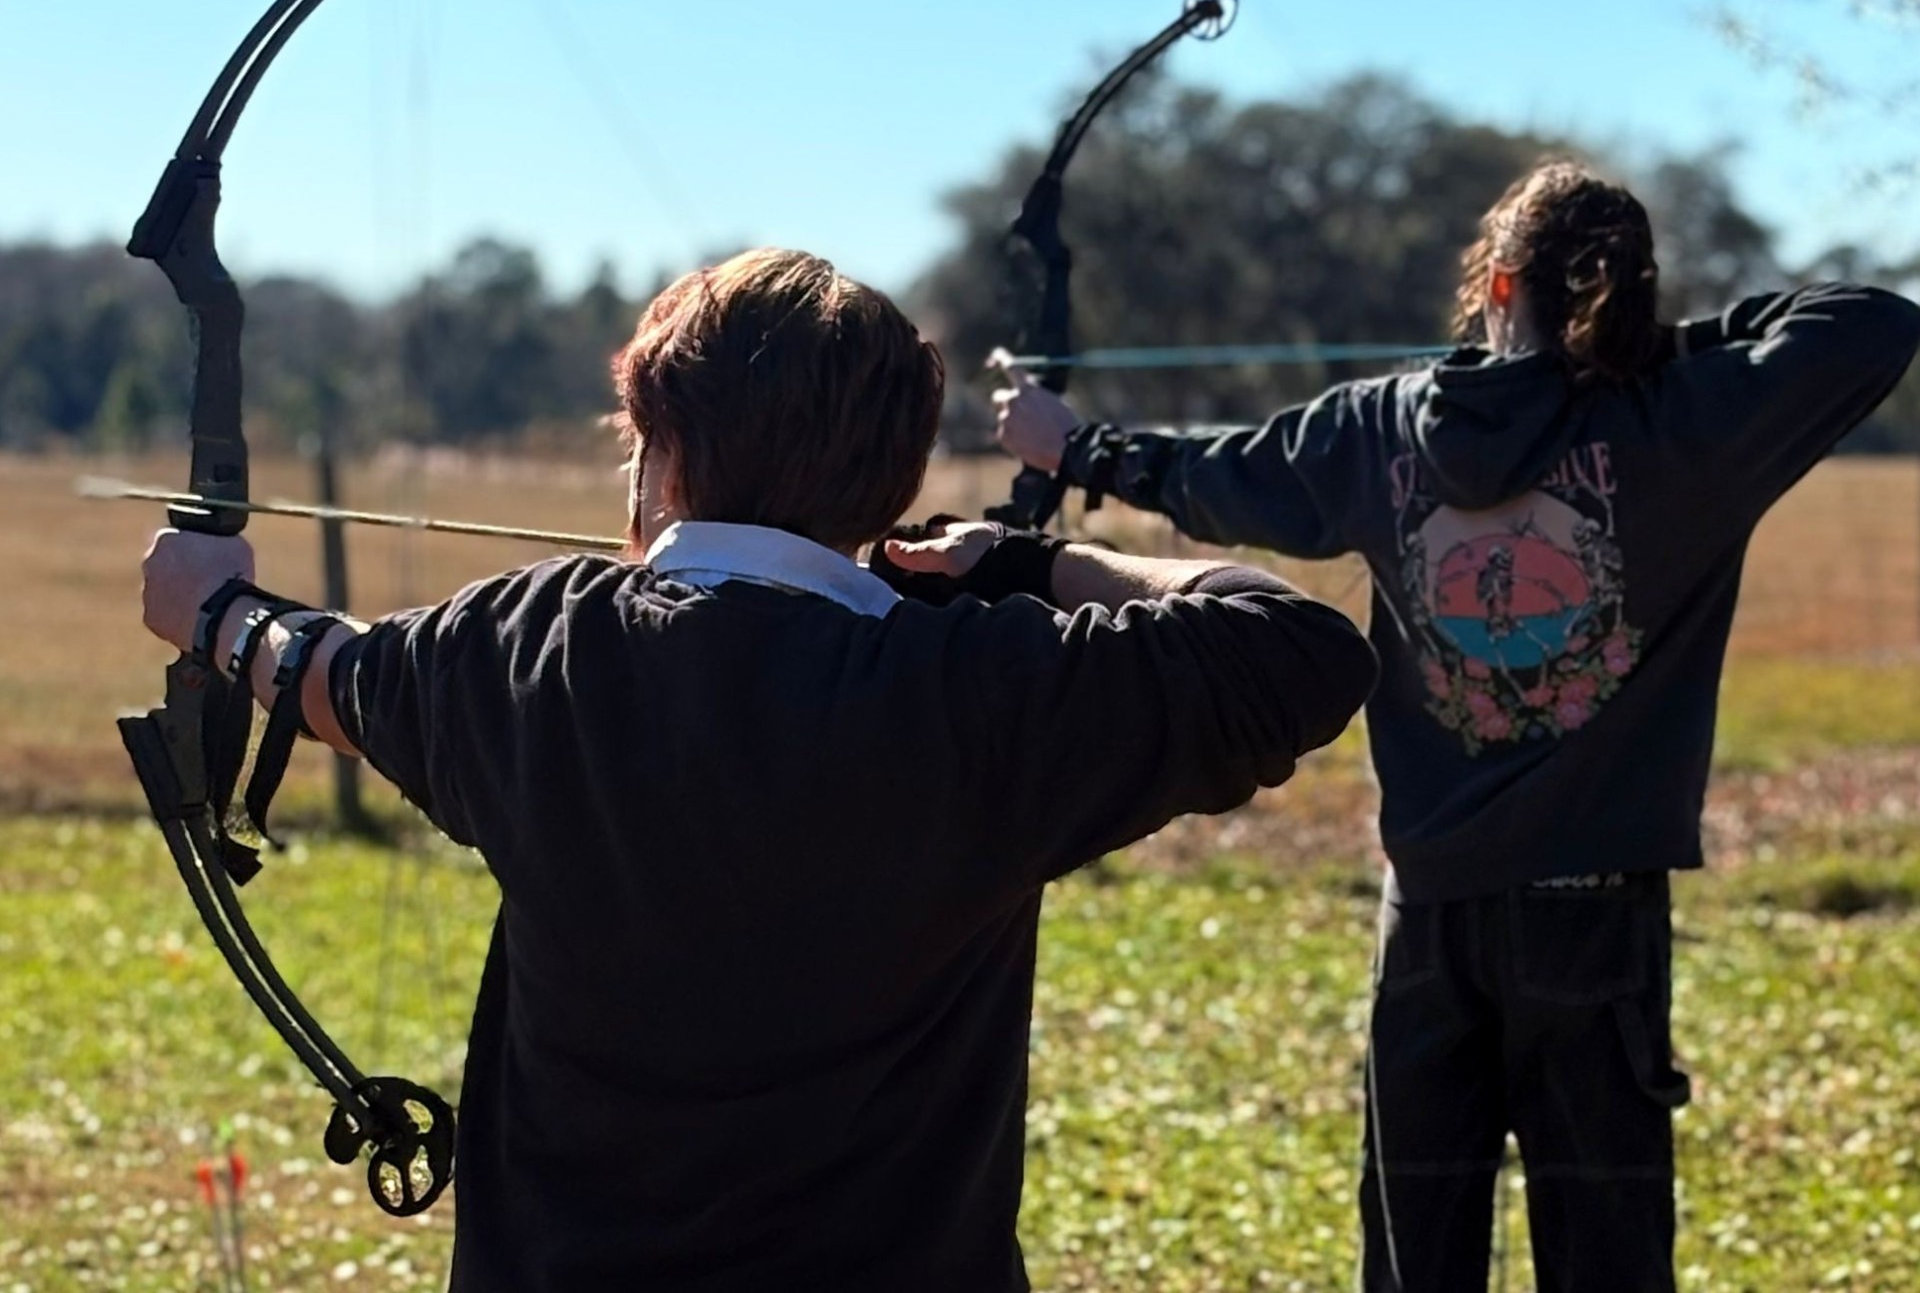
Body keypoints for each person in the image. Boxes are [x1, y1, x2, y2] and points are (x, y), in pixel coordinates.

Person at [138, 247, 1378, 1293]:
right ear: (891, 484)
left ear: (663, 449)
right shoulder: (982, 690)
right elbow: (1296, 648)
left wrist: (217, 611)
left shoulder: (532, 647)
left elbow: (331, 678)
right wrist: (1029, 568)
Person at [991, 159, 1920, 1291]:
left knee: (1416, 1261)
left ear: (1494, 286)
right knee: (1609, 1262)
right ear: (1622, 293)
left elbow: (1215, 479)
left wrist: (1076, 448)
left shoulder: (1384, 426)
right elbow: (1872, 321)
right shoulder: (1685, 419)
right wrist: (1658, 344)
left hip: (1428, 912)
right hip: (1597, 911)